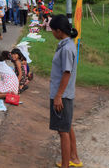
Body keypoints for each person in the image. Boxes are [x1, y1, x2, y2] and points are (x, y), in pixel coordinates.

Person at [49, 14, 82, 168]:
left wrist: (58, 96)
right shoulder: (66, 44)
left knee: (63, 131)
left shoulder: (67, 48)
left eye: (52, 30)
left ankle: (65, 165)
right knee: (67, 126)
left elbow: (66, 73)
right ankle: (74, 158)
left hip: (62, 95)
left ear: (59, 31)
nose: (51, 33)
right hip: (63, 94)